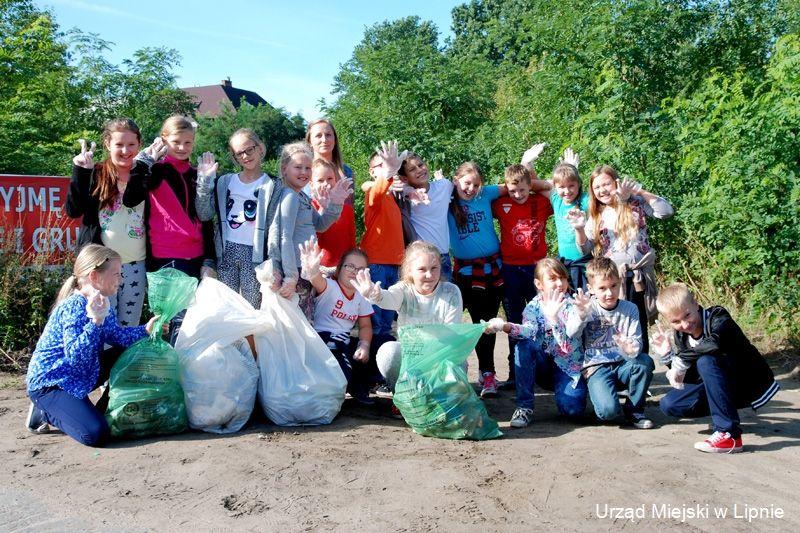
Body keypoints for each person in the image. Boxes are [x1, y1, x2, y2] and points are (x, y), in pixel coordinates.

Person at [25, 244, 161, 447]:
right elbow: (75, 357)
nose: (121, 280)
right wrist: (95, 322)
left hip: (77, 374)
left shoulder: (102, 301)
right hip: (52, 383)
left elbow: (118, 337)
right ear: (95, 276)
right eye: (116, 274)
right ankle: (45, 411)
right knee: (95, 434)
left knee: (130, 351)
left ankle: (100, 410)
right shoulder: (74, 307)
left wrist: (146, 330)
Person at [654, 283, 779, 453]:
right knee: (670, 404)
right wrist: (668, 357)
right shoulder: (681, 335)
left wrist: (682, 360)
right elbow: (692, 377)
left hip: (750, 383)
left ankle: (729, 435)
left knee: (706, 361)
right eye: (675, 321)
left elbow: (714, 343)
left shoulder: (718, 316)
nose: (684, 324)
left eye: (687, 315)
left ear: (696, 304)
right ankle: (723, 412)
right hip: (723, 386)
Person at [569, 165, 674, 352]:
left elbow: (666, 211)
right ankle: (618, 367)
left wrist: (638, 190)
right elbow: (585, 248)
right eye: (597, 187)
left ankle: (640, 364)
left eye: (606, 184)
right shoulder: (596, 215)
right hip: (612, 280)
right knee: (615, 325)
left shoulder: (635, 203)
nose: (602, 190)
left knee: (638, 322)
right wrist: (579, 229)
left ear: (616, 182)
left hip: (636, 277)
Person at [351, 241, 463, 398]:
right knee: (388, 352)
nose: (429, 275)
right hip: (410, 359)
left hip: (440, 356)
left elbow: (451, 333)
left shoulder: (451, 292)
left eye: (434, 268)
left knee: (460, 363)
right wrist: (373, 294)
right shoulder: (403, 288)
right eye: (422, 269)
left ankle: (436, 396)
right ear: (410, 271)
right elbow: (387, 298)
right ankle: (402, 396)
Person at [485, 258, 588, 428]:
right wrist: (504, 326)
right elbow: (529, 331)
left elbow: (570, 337)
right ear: (539, 284)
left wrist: (554, 318)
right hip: (542, 367)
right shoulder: (533, 307)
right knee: (523, 346)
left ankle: (575, 388)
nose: (560, 283)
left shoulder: (574, 305)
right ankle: (524, 407)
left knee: (573, 411)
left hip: (567, 368)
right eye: (553, 279)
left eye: (563, 278)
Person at [66, 119, 147, 326]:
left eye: (131, 144)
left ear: (139, 144)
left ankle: (123, 360)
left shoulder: (146, 174)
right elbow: (73, 210)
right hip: (101, 266)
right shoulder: (96, 172)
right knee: (100, 326)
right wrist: (80, 172)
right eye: (119, 144)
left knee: (129, 329)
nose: (125, 150)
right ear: (107, 144)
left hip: (135, 264)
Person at [195, 128, 283, 308]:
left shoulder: (273, 185)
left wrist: (275, 263)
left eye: (249, 150)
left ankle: (251, 338)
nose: (245, 156)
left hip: (255, 254)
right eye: (239, 153)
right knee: (227, 307)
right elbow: (204, 213)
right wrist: (205, 181)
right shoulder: (224, 182)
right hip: (226, 252)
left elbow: (274, 227)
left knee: (252, 308)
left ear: (260, 148)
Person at [569, 257, 656, 429]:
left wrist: (631, 348)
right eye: (602, 288)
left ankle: (635, 411)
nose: (609, 293)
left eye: (613, 286)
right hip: (596, 367)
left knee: (644, 362)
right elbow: (572, 333)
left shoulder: (630, 308)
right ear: (591, 289)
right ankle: (601, 397)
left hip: (623, 363)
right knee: (608, 413)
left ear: (620, 282)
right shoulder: (587, 307)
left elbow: (636, 341)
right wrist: (581, 315)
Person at [271, 142, 350, 319]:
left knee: (306, 319)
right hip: (296, 270)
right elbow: (284, 237)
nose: (304, 172)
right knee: (299, 321)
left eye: (308, 168)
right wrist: (290, 276)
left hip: (307, 268)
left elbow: (320, 224)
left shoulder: (301, 196)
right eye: (298, 167)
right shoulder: (289, 196)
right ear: (284, 169)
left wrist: (335, 203)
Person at [447, 161, 505, 397]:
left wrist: (527, 164)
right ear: (456, 180)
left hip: (493, 269)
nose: (470, 188)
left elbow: (516, 183)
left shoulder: (486, 194)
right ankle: (458, 373)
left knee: (487, 324)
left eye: (475, 184)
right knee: (466, 324)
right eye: (466, 183)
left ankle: (488, 374)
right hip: (465, 273)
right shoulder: (447, 202)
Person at [491, 164, 553, 386]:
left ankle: (544, 371)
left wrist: (538, 183)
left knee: (544, 319)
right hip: (509, 269)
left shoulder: (541, 202)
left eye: (523, 190)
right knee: (514, 320)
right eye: (513, 191)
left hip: (537, 269)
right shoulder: (500, 204)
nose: (517, 195)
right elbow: (481, 197)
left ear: (530, 186)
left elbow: (556, 191)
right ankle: (515, 374)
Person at [299, 240, 378, 404]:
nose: (354, 271)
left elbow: (365, 326)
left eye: (360, 269)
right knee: (340, 373)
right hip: (323, 344)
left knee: (384, 342)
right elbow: (317, 279)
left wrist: (364, 346)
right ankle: (345, 387)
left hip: (346, 343)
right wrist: (313, 269)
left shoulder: (361, 296)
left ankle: (361, 386)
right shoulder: (331, 286)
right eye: (349, 266)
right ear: (339, 268)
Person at [359, 141, 408, 338]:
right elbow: (375, 189)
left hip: (395, 265)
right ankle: (373, 364)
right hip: (377, 263)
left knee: (388, 321)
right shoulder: (373, 192)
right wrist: (386, 174)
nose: (387, 165)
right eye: (381, 165)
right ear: (372, 172)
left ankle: (384, 363)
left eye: (390, 164)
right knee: (377, 321)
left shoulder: (392, 198)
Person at [398, 154, 453, 280]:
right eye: (412, 169)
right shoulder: (404, 197)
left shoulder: (444, 186)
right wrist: (408, 191)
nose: (419, 170)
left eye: (421, 164)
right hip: (419, 258)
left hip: (443, 257)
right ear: (404, 178)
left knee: (446, 297)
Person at [310, 158, 356, 271]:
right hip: (321, 268)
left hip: (344, 268)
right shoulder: (310, 207)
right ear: (311, 184)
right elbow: (313, 236)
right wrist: (322, 208)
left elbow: (351, 240)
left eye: (330, 179)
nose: (326, 184)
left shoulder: (347, 209)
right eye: (320, 180)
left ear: (336, 181)